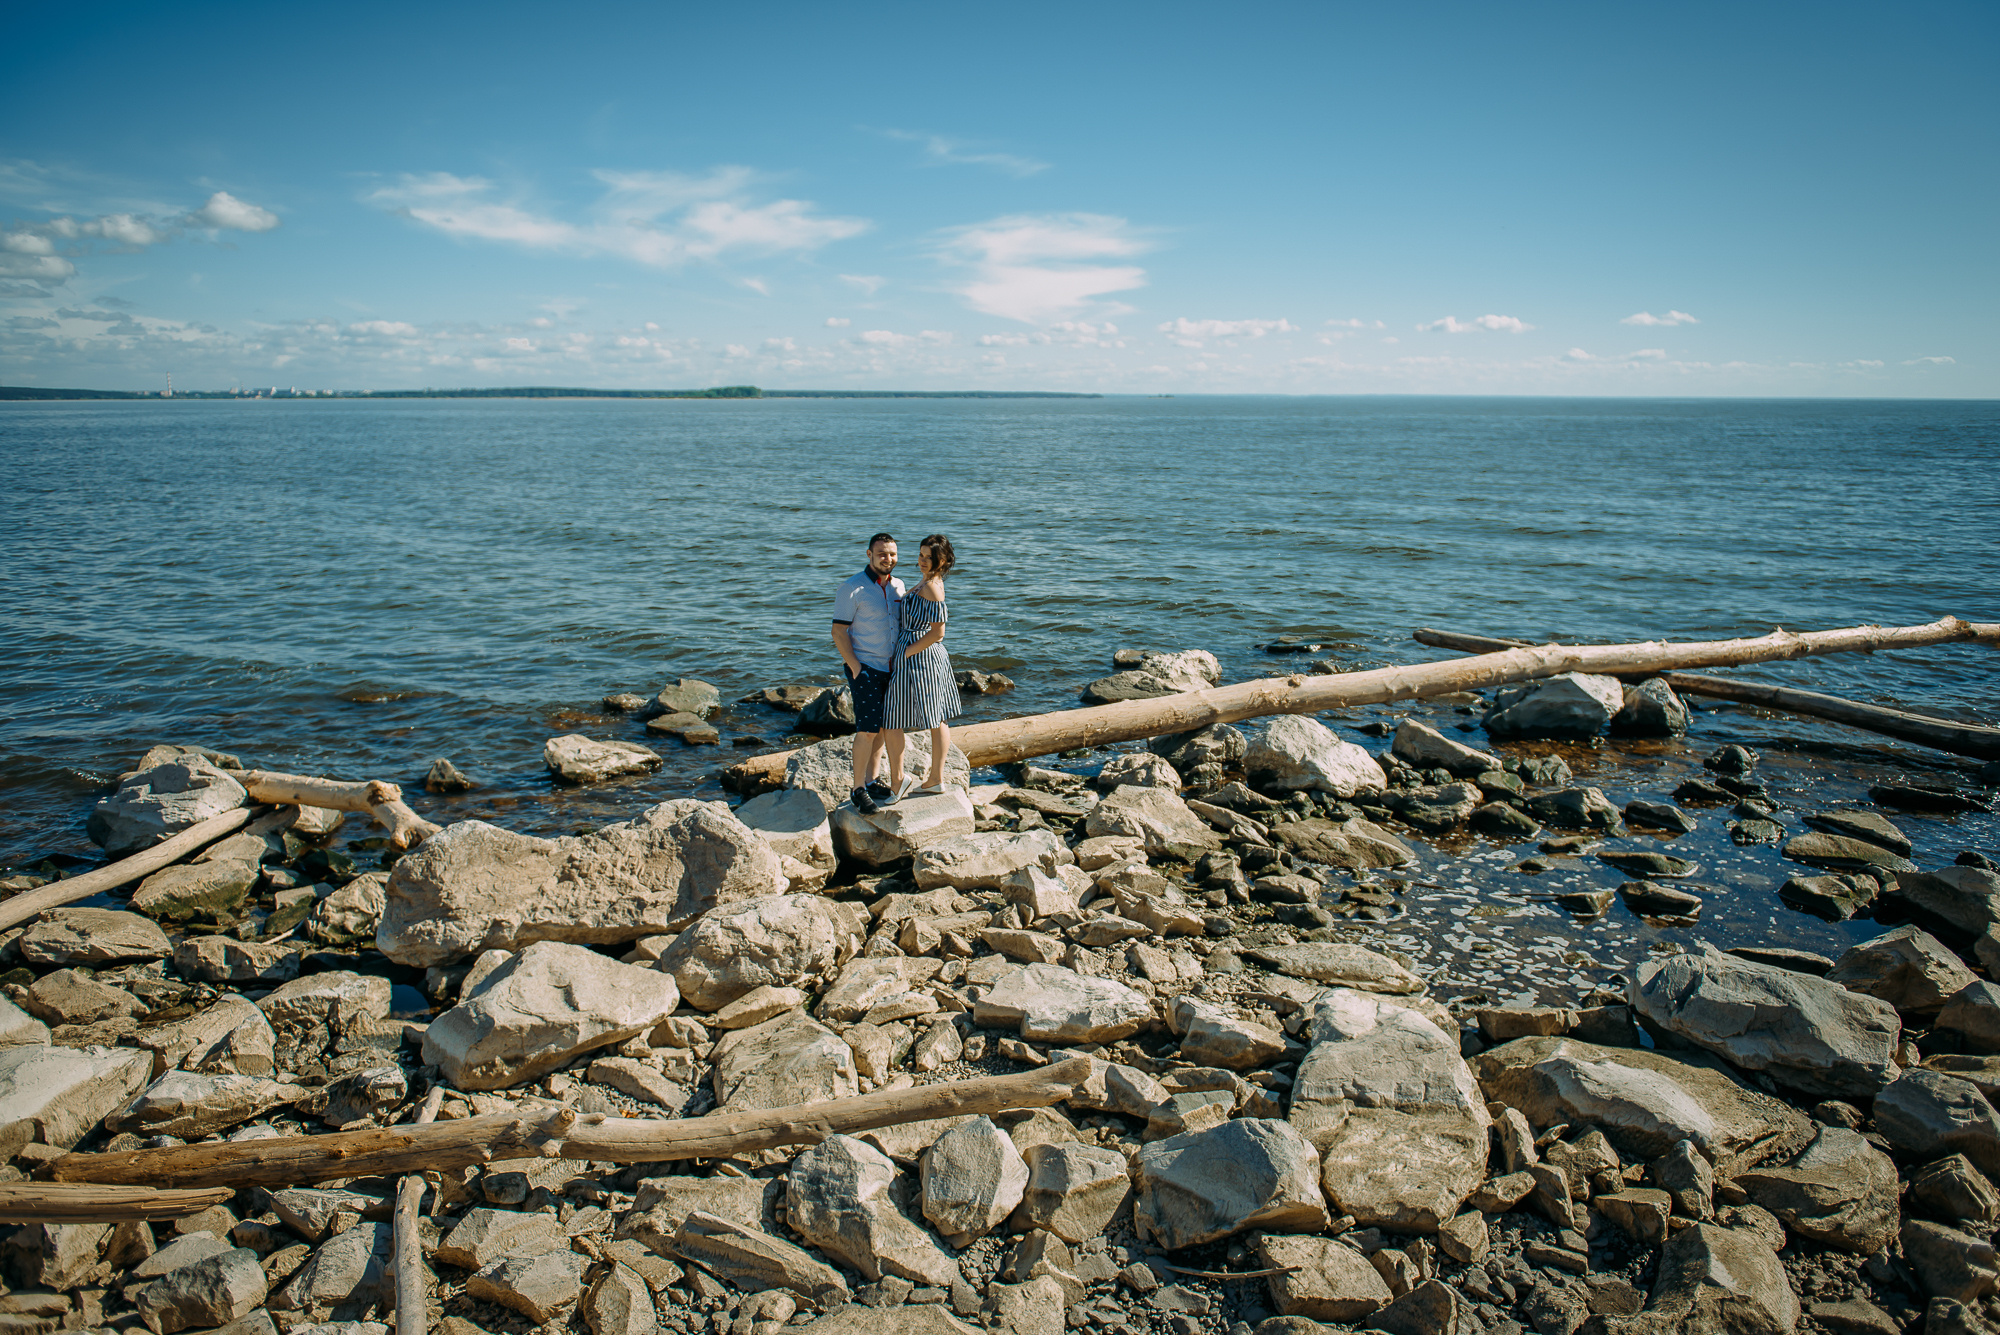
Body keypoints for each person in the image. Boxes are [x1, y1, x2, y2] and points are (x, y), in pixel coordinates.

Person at [882, 533, 963, 794]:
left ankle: (927, 778)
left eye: (930, 557)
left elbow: (938, 632)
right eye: (921, 555)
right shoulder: (925, 582)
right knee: (931, 717)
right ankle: (931, 778)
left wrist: (906, 653)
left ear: (942, 561)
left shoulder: (932, 588)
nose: (923, 561)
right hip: (916, 653)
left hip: (921, 656)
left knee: (923, 717)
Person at [830, 532, 905, 813]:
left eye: (892, 554)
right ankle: (857, 789)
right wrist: (856, 667)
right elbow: (838, 631)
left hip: (893, 669)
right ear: (869, 554)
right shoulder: (851, 588)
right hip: (867, 668)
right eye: (882, 553)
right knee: (867, 731)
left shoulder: (899, 586)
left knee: (883, 730)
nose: (888, 558)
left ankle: (873, 780)